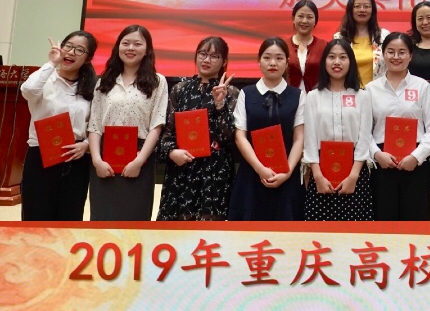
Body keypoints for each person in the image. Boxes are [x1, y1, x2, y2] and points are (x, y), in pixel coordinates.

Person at [88, 24, 168, 220]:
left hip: (140, 156)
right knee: (103, 218)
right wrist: (97, 161)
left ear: (147, 49)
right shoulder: (104, 81)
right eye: (126, 43)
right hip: (105, 158)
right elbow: (95, 125)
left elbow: (156, 125)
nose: (131, 48)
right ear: (118, 47)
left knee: (135, 218)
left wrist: (139, 161)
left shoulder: (157, 82)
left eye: (137, 44)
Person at [157, 36, 238, 220]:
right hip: (181, 171)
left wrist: (220, 105)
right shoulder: (180, 89)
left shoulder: (232, 93)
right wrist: (171, 152)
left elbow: (230, 138)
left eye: (214, 56)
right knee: (176, 229)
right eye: (202, 54)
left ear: (224, 61)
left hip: (214, 174)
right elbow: (167, 134)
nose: (206, 60)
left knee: (210, 231)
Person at [20, 31, 97, 220]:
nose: (71, 52)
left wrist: (86, 145)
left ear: (88, 58)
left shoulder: (92, 87)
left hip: (76, 158)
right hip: (41, 155)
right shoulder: (45, 80)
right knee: (36, 215)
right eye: (68, 46)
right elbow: (27, 90)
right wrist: (52, 63)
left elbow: (97, 123)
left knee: (69, 218)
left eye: (79, 50)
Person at [367, 32, 430, 220]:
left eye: (402, 52)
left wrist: (417, 157)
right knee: (384, 222)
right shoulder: (371, 89)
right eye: (390, 52)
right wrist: (377, 154)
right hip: (382, 164)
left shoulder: (422, 86)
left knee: (415, 223)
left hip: (415, 163)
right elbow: (363, 130)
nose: (396, 57)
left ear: (411, 55)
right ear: (383, 54)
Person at [228, 36, 304, 220]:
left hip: (287, 177)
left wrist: (286, 172)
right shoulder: (246, 93)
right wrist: (260, 168)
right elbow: (240, 136)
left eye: (279, 58)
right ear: (259, 61)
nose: (273, 63)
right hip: (251, 176)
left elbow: (299, 138)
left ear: (287, 63)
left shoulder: (298, 95)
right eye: (267, 57)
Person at [303, 38, 373, 221]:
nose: (337, 62)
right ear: (324, 61)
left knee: (354, 232)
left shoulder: (362, 96)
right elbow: (310, 140)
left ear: (351, 62)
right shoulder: (313, 97)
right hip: (321, 173)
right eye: (331, 57)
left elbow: (364, 138)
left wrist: (353, 176)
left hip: (355, 173)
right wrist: (318, 176)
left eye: (343, 57)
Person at [336, 0, 383, 85]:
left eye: (366, 6)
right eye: (357, 6)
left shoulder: (383, 37)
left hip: (376, 91)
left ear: (373, 10)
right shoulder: (340, 38)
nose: (362, 10)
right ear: (350, 10)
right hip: (349, 91)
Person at [288, 0, 327, 90]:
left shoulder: (324, 45)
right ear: (293, 19)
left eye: (309, 17)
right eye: (300, 16)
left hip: (317, 95)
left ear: (315, 21)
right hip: (288, 96)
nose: (304, 21)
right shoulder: (283, 45)